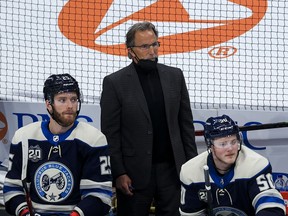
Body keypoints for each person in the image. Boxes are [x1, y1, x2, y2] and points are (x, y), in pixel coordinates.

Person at [100, 21, 198, 216]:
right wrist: (119, 173)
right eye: (145, 46)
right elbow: (110, 134)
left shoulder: (175, 76)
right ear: (130, 51)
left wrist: (191, 167)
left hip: (172, 172)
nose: (152, 50)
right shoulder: (114, 83)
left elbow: (185, 126)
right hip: (134, 175)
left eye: (155, 44)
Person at [4, 74, 113, 216]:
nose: (70, 106)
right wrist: (25, 213)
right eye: (62, 100)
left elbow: (100, 196)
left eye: (73, 99)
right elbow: (12, 188)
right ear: (48, 104)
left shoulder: (93, 139)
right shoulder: (23, 137)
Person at [179, 114, 286, 216]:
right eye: (223, 144)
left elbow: (271, 208)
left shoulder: (256, 165)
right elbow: (191, 213)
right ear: (210, 146)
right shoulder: (190, 172)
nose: (230, 148)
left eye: (233, 142)